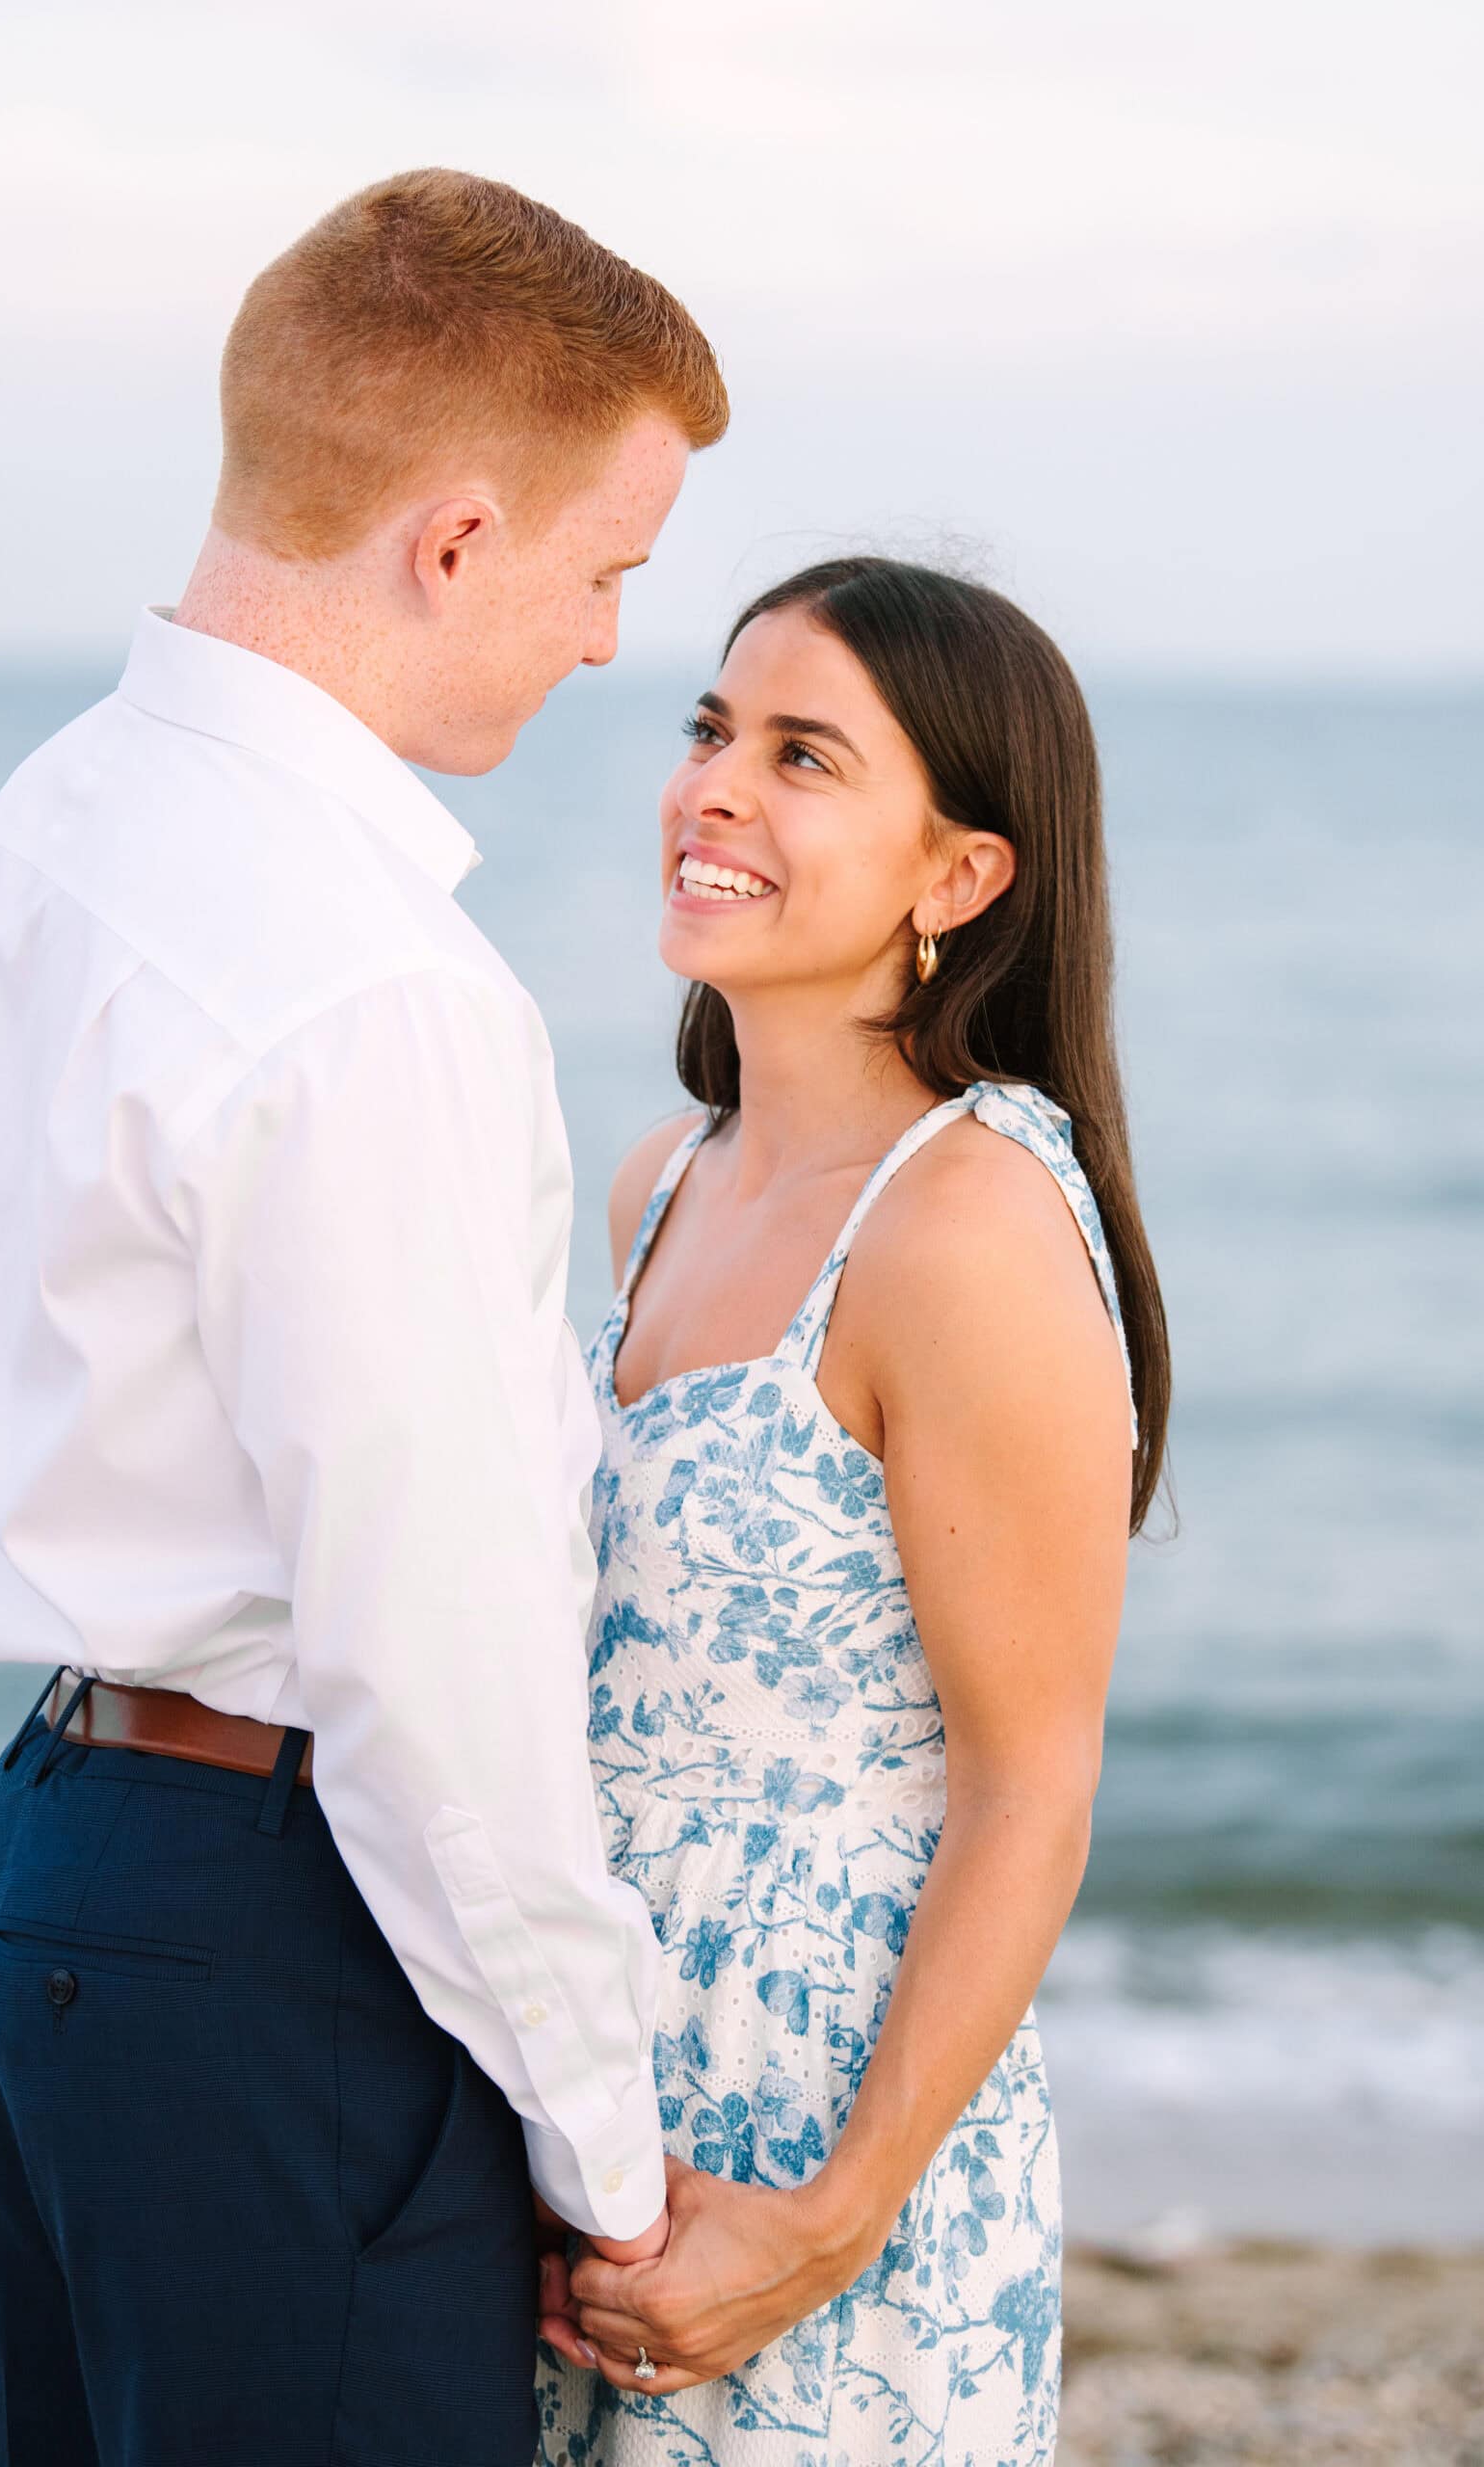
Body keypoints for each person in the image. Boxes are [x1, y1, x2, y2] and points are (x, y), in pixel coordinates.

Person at [0, 170, 727, 2466]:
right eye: (606, 570)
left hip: (51, 1855)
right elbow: (428, 1647)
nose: (596, 641)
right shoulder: (369, 978)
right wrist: (606, 2149)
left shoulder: (37, 831)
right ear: (455, 538)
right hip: (278, 1927)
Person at [535, 556, 1170, 2463]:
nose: (714, 786)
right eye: (712, 727)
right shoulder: (664, 1177)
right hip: (589, 2106)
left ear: (957, 876)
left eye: (803, 754)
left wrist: (830, 2215)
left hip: (823, 2129)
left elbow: (1029, 1786)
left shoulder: (966, 1226)